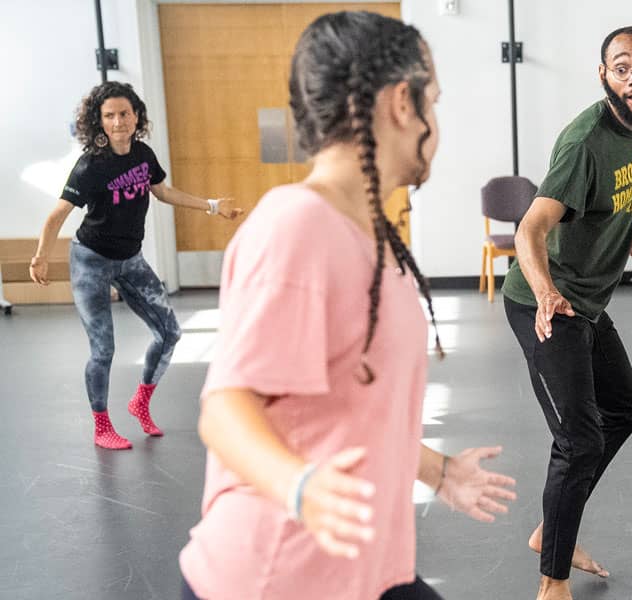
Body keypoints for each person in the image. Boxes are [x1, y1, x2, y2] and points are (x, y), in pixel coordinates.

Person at [178, 11, 516, 600]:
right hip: (275, 577)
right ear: (400, 104)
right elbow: (224, 407)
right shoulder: (298, 226)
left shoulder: (366, 233)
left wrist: (439, 473)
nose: (436, 121)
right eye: (431, 102)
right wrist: (301, 488)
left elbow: (351, 409)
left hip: (362, 571)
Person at [501, 26, 632, 600]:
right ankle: (552, 582)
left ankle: (554, 527)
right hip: (543, 303)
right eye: (621, 67)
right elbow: (530, 227)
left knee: (626, 408)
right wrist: (548, 292)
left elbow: (602, 206)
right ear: (603, 75)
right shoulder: (586, 141)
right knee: (579, 440)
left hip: (586, 302)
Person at [30, 81, 242, 450]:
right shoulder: (90, 167)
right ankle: (102, 426)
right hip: (91, 263)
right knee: (103, 349)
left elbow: (161, 191)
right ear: (98, 121)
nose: (118, 122)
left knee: (170, 332)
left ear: (136, 116)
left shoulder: (142, 154)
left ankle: (140, 402)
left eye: (124, 114)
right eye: (109, 116)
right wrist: (41, 258)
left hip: (130, 260)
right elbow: (57, 216)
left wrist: (211, 205)